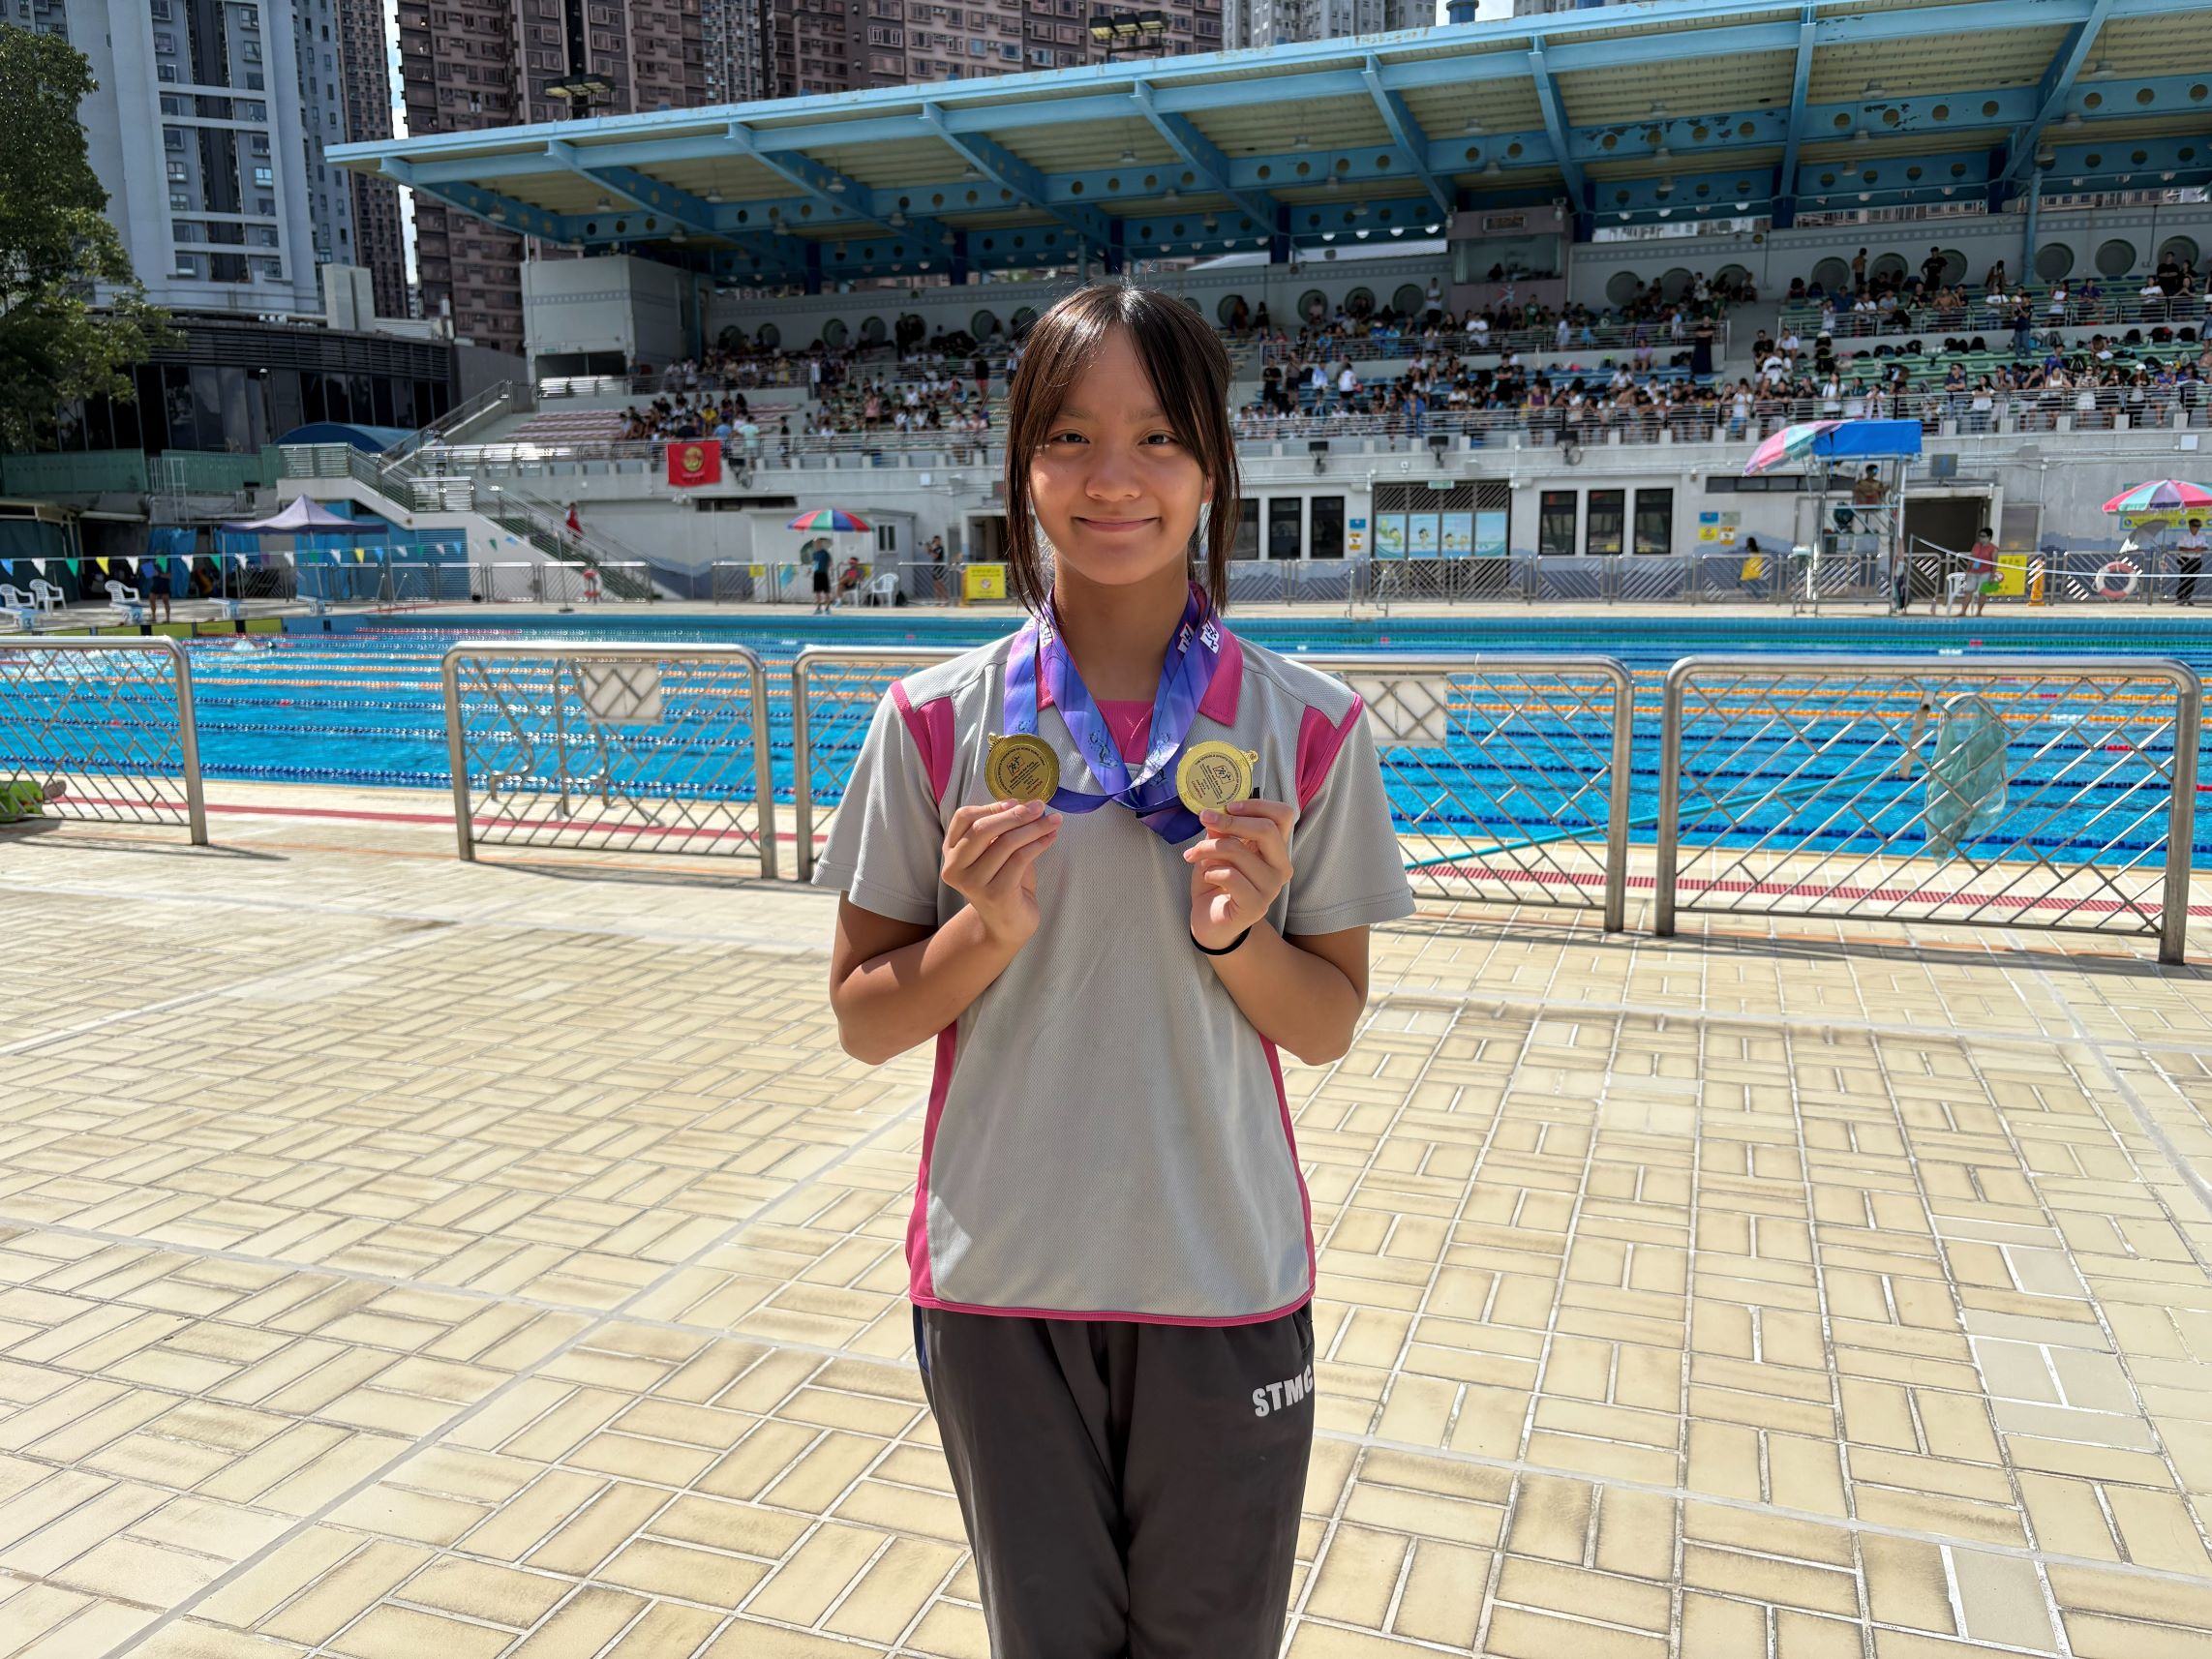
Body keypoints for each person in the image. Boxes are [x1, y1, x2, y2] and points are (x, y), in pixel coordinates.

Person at [816, 284, 1414, 1659]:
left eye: (1157, 438)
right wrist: (982, 932)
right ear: (1022, 463)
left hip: (1220, 1273)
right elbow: (861, 1018)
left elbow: (1324, 1023)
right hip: (1001, 1281)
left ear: (1212, 467)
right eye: (1070, 438)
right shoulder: (930, 722)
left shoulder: (1308, 726)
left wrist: (1237, 938)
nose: (1112, 479)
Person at [2177, 514, 2206, 606]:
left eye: (2197, 527)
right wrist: (2192, 550)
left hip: (2196, 560)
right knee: (2184, 578)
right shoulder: (2184, 536)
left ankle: (2188, 597)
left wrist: (2201, 549)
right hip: (2185, 559)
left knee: (2193, 579)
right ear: (2190, 526)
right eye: (2194, 526)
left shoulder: (2201, 536)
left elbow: (2206, 547)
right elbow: (2180, 547)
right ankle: (2180, 597)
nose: (2196, 528)